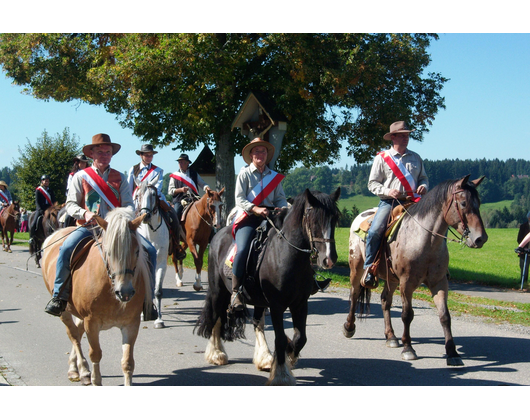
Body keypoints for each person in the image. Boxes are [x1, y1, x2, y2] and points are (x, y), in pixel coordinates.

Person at [44, 134, 158, 318]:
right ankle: (59, 296)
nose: (105, 155)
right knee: (65, 249)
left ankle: (148, 301)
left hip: (117, 230)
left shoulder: (119, 177)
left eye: (108, 152)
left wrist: (122, 218)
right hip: (89, 227)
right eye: (100, 152)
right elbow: (71, 204)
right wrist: (85, 213)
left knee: (150, 251)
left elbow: (129, 204)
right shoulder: (81, 177)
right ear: (92, 154)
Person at [362, 121, 429, 288]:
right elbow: (372, 183)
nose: (406, 138)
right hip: (389, 202)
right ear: (393, 137)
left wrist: (424, 186)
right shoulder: (382, 158)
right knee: (376, 230)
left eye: (407, 135)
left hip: (414, 202)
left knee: (433, 227)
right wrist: (387, 191)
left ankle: (436, 268)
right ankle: (370, 268)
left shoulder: (416, 157)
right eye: (402, 135)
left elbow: (423, 178)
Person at [230, 138, 287, 310]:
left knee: (289, 242)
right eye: (256, 152)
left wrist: (282, 207)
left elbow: (281, 198)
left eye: (263, 151)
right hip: (249, 216)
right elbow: (239, 198)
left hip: (270, 215)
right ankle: (236, 291)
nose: (260, 154)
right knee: (243, 248)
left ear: (267, 155)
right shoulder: (245, 174)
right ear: (251, 155)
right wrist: (255, 208)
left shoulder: (274, 177)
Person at [128, 144, 184, 258]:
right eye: (147, 155)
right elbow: (129, 188)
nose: (149, 157)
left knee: (173, 216)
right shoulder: (133, 170)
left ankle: (176, 246)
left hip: (155, 198)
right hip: (138, 201)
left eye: (151, 155)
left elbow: (158, 188)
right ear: (141, 155)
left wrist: (150, 194)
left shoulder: (158, 171)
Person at [168, 153, 211, 221]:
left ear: (187, 163)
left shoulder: (194, 173)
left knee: (207, 211)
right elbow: (170, 191)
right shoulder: (174, 176)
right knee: (175, 214)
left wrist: (207, 188)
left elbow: (202, 184)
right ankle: (174, 231)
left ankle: (211, 230)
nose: (180, 164)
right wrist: (181, 190)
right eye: (179, 162)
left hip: (194, 199)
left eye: (182, 162)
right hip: (179, 200)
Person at [29, 174, 56, 239]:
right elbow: (37, 202)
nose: (46, 182)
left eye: (47, 181)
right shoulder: (38, 190)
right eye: (45, 181)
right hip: (41, 208)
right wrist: (40, 209)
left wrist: (55, 207)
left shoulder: (50, 190)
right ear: (42, 181)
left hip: (49, 208)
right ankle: (32, 237)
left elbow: (53, 200)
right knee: (34, 223)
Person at [516, 211, 530, 284]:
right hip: (525, 251)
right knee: (524, 268)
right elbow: (520, 239)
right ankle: (524, 283)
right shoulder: (523, 226)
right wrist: (521, 247)